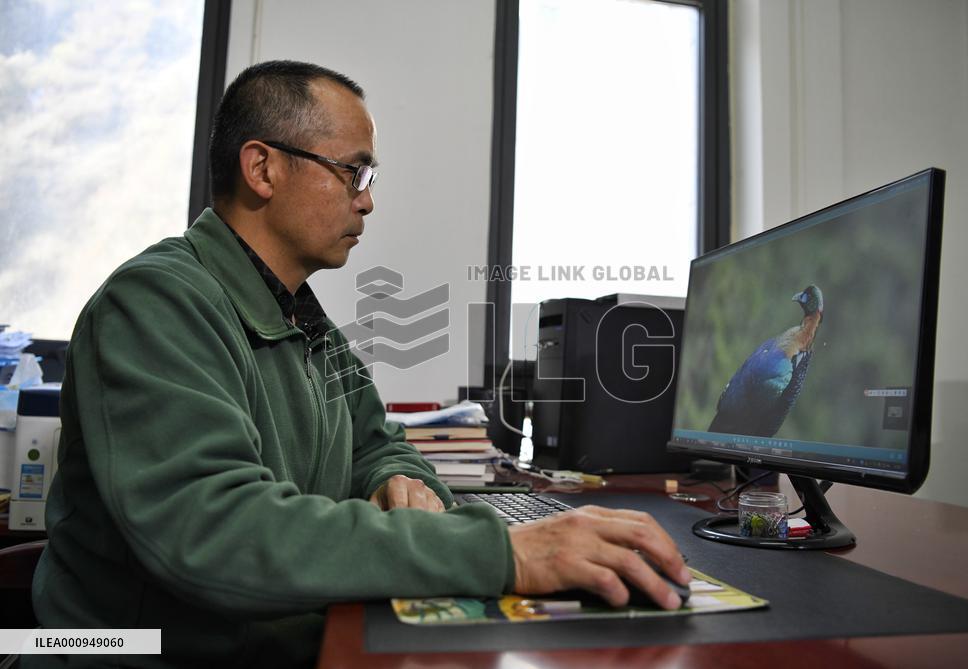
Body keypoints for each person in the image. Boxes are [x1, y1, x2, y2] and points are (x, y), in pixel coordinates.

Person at [30, 60, 690, 667]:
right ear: (262, 169)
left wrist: (399, 479)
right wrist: (505, 552)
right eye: (354, 172)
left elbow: (381, 444)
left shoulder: (303, 321)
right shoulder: (155, 304)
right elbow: (215, 530)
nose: (368, 200)